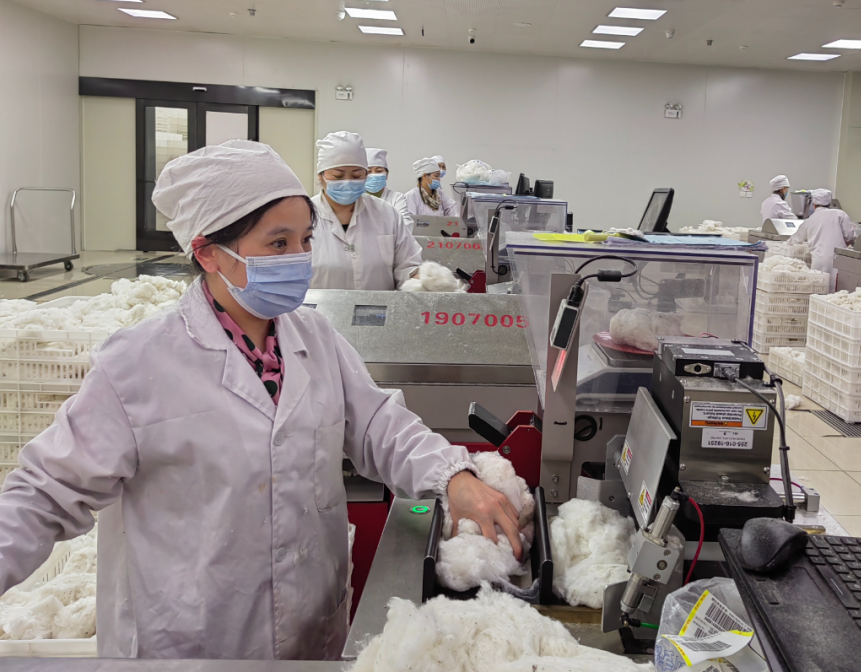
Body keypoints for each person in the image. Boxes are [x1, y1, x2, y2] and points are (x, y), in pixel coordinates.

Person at [0, 141, 521, 660]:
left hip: (309, 630)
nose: (299, 258)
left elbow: (379, 426)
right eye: (278, 243)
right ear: (208, 252)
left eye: (305, 239)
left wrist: (452, 476)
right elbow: (44, 494)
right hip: (188, 643)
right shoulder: (137, 364)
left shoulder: (314, 337)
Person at [309, 132, 422, 291]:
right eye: (338, 176)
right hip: (318, 307)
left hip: (378, 307)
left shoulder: (387, 214)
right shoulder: (303, 216)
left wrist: (424, 279)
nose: (348, 182)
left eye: (357, 175)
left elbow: (408, 266)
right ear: (321, 176)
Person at [788, 188, 857, 293]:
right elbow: (851, 237)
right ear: (829, 202)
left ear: (814, 204)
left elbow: (794, 240)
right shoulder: (840, 214)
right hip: (838, 261)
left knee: (818, 291)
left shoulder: (809, 220)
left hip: (818, 262)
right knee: (837, 293)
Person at [364, 147, 413, 231]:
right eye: (369, 172)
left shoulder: (397, 198)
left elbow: (405, 226)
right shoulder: (355, 198)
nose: (374, 175)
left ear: (386, 175)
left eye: (379, 171)